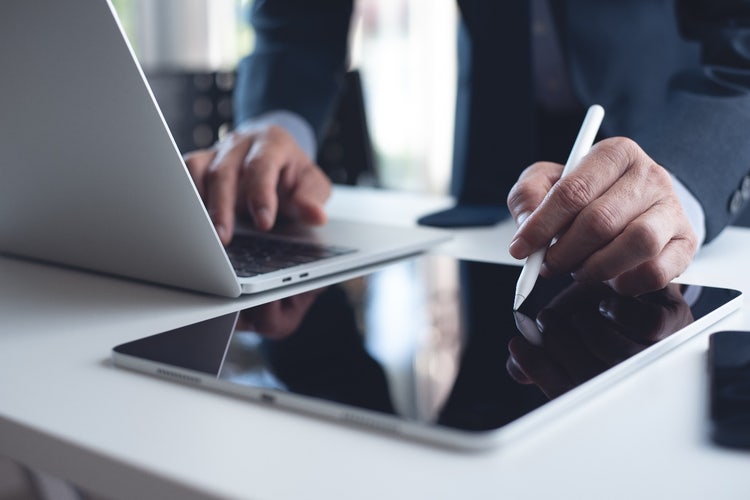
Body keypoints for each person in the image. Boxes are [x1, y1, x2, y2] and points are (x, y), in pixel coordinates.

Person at [184, 0, 750, 297]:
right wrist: (275, 120)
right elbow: (300, 16)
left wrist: (680, 175)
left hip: (677, 134)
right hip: (498, 159)